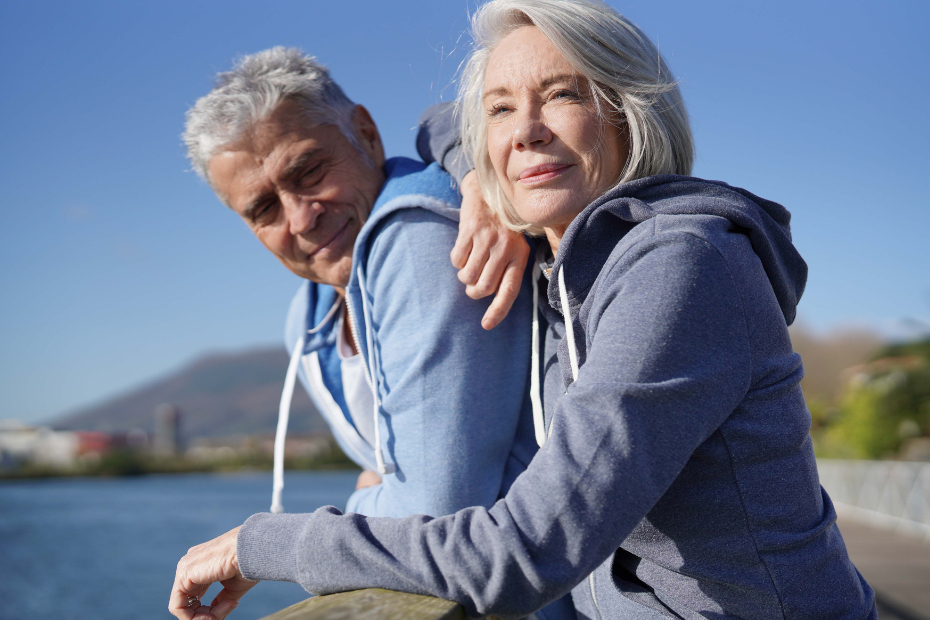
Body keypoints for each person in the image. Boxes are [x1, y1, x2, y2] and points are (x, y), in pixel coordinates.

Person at [171, 2, 878, 619]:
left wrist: (264, 542)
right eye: (502, 109)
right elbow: (442, 120)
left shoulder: (682, 266)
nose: (527, 131)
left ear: (630, 110)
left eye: (563, 95)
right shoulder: (560, 270)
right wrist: (476, 172)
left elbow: (525, 553)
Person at [179, 46, 574, 619]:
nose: (299, 217)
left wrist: (363, 495)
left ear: (364, 133)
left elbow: (433, 513)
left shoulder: (418, 240)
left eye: (308, 170)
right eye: (263, 208)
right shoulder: (307, 317)